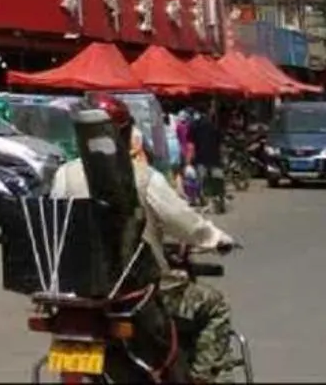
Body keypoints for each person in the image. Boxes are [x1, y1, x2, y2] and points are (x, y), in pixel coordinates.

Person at [53, 94, 240, 382]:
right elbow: (186, 224)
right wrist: (217, 238)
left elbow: (58, 226)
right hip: (138, 295)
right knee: (214, 305)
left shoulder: (64, 175)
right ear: (125, 132)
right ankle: (201, 378)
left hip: (81, 295)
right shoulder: (144, 177)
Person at [190, 106, 226, 212]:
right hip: (215, 159)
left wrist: (190, 158)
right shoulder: (215, 127)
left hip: (201, 158)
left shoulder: (195, 127)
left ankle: (206, 202)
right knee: (217, 182)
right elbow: (221, 144)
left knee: (203, 182)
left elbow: (192, 144)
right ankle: (219, 203)